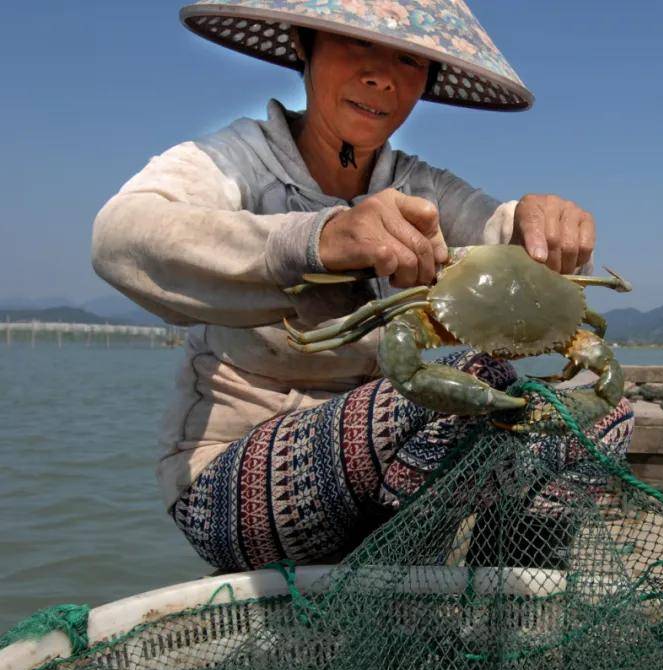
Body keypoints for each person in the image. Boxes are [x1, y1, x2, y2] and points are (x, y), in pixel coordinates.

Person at [91, 0, 634, 572]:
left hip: (387, 467)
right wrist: (316, 239)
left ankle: (501, 608)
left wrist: (534, 225)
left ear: (426, 77)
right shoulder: (236, 161)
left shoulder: (419, 186)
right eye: (357, 44)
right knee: (454, 391)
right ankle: (406, 598)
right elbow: (121, 236)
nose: (381, 76)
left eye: (407, 57)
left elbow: (495, 231)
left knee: (598, 416)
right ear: (304, 43)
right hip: (229, 482)